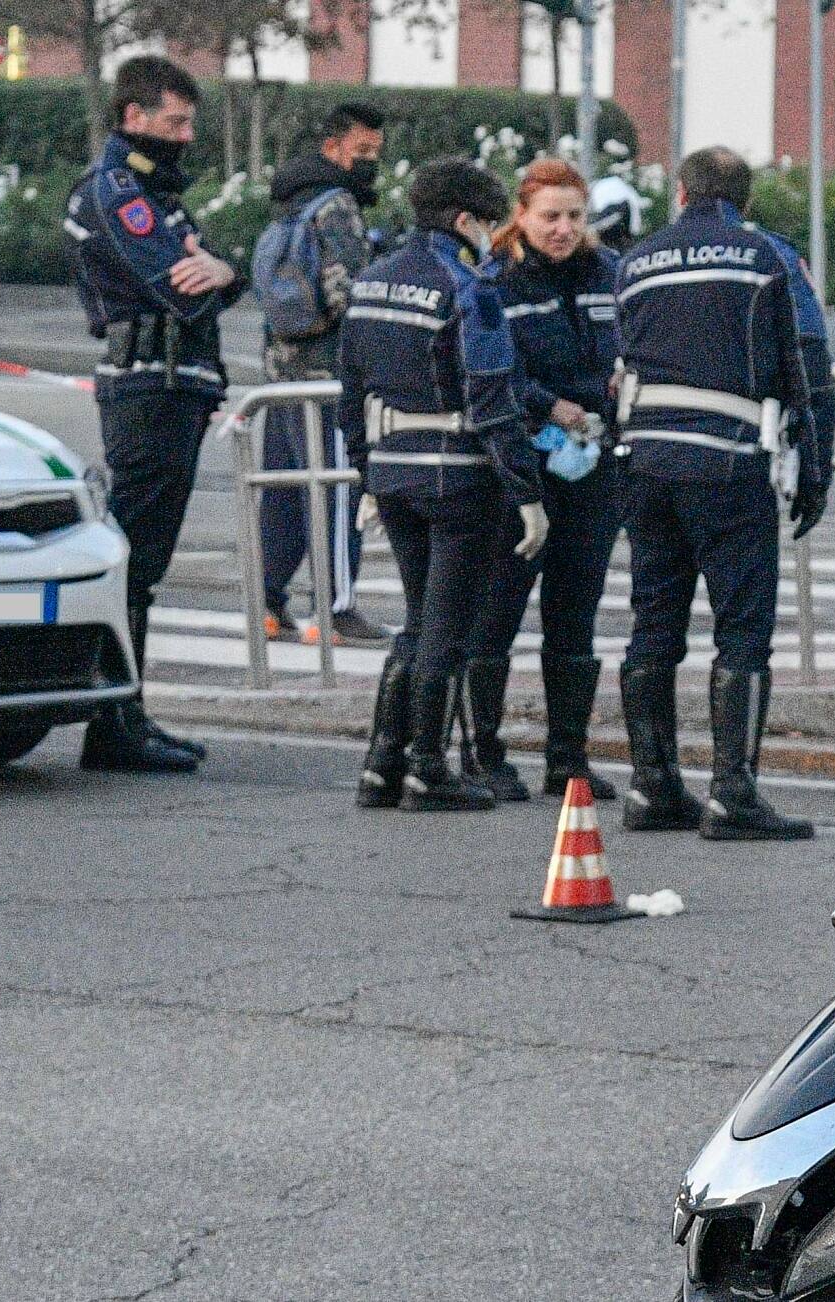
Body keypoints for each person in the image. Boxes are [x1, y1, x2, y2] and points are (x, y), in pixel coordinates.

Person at [612, 146, 835, 840]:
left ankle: (652, 786)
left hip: (644, 463)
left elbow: (617, 360)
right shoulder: (766, 256)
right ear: (744, 200)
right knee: (742, 630)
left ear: (680, 194)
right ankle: (733, 794)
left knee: (654, 623)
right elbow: (807, 363)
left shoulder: (637, 261)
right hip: (727, 463)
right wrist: (816, 469)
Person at [337, 159, 548, 812]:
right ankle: (428, 766)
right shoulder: (471, 289)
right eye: (490, 224)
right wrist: (527, 493)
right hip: (457, 477)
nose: (493, 238)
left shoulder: (371, 282)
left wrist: (366, 469)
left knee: (417, 619)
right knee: (447, 627)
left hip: (392, 471)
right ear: (465, 222)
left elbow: (350, 392)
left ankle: (382, 764)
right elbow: (492, 398)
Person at [63, 55, 246, 773]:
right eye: (176, 121)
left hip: (177, 386)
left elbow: (221, 270)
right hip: (149, 387)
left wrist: (226, 269)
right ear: (133, 117)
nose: (188, 134)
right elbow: (186, 292)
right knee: (133, 560)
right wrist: (219, 276)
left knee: (147, 560)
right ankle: (113, 722)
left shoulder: (155, 190)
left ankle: (124, 712)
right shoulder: (115, 195)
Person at [460, 159, 627, 802]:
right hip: (521, 464)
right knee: (496, 612)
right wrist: (546, 404)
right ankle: (484, 755)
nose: (562, 229)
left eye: (574, 217)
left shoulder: (607, 273)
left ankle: (568, 758)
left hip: (593, 463)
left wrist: (615, 386)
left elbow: (629, 343)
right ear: (520, 217)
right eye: (549, 216)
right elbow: (490, 369)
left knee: (574, 615)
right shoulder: (497, 277)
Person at [252, 101, 394, 649]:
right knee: (338, 487)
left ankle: (268, 603)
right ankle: (337, 606)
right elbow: (346, 293)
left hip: (280, 367)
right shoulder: (336, 205)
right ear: (332, 148)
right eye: (362, 152)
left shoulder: (291, 202)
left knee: (285, 488)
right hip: (328, 371)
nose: (369, 164)